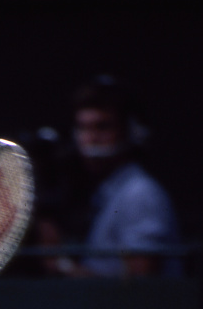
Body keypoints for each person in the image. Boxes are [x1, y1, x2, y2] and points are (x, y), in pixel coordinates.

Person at [35, 75, 182, 278]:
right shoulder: (110, 193)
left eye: (102, 127)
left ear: (133, 132)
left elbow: (142, 288)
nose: (91, 139)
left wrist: (60, 265)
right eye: (83, 128)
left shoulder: (140, 194)